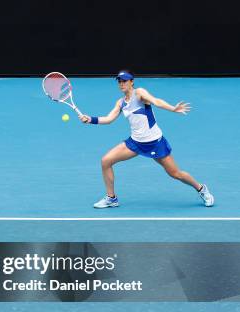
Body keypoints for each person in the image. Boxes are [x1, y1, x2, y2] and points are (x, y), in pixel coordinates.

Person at [80, 70, 214, 208]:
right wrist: (91, 119)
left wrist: (172, 108)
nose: (121, 84)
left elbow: (156, 101)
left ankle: (201, 189)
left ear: (132, 82)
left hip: (155, 143)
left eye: (124, 81)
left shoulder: (139, 93)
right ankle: (111, 198)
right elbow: (109, 119)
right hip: (136, 143)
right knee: (106, 161)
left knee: (175, 173)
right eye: (119, 81)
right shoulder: (120, 103)